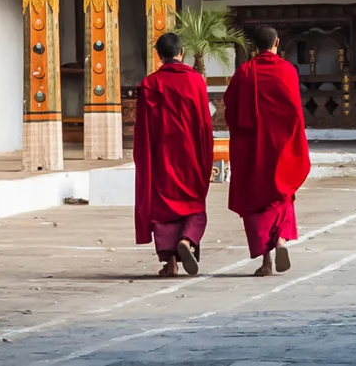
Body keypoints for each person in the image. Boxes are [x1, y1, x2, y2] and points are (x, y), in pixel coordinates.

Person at [224, 24, 311, 275]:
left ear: (254, 46)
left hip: (252, 148)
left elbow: (230, 108)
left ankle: (266, 261)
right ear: (277, 44)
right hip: (281, 146)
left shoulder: (244, 72)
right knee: (281, 193)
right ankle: (281, 240)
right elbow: (295, 110)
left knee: (256, 200)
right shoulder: (287, 70)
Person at [133, 31, 214, 277]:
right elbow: (204, 124)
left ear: (159, 56)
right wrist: (206, 157)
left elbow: (142, 130)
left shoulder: (149, 85)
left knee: (164, 208)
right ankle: (187, 240)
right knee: (193, 202)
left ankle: (171, 264)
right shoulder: (196, 81)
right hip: (190, 155)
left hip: (162, 156)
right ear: (181, 53)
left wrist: (145, 160)